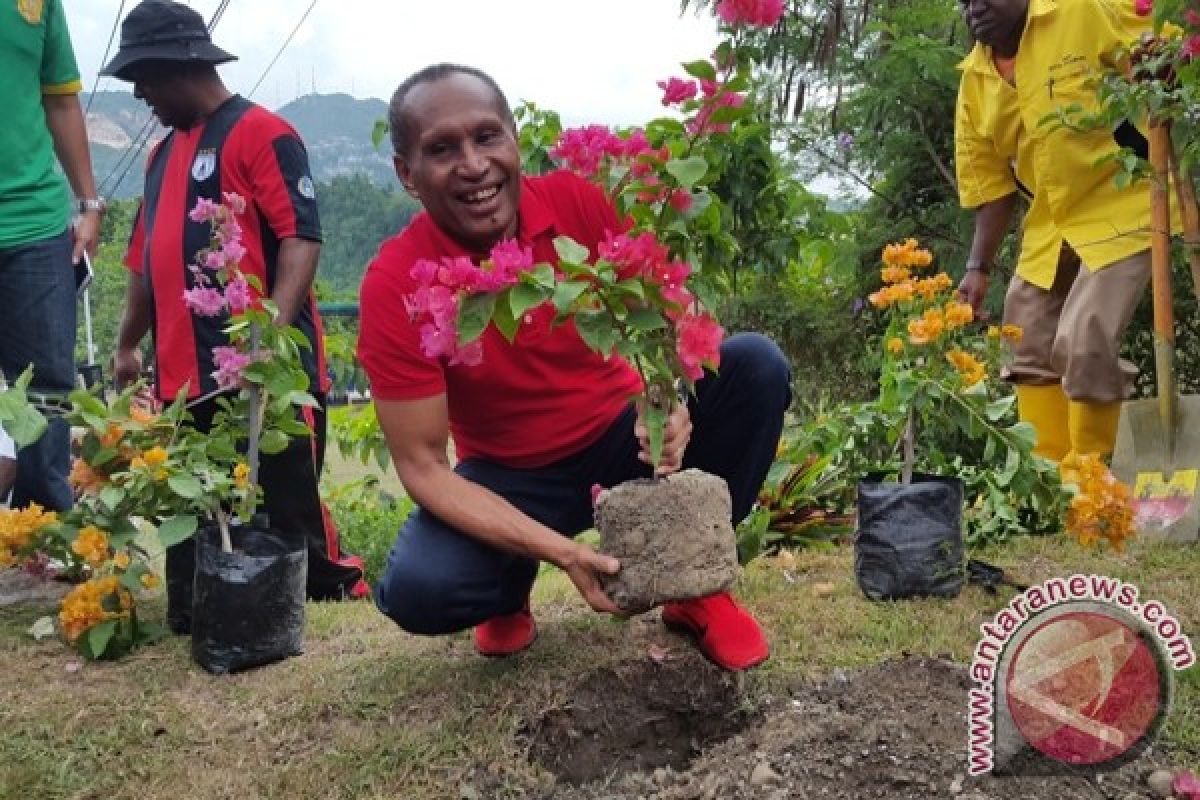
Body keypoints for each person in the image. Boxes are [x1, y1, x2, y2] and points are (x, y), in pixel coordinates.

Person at [357, 64, 791, 671]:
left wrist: (667, 404)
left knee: (756, 367)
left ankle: (693, 583)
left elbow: (679, 318)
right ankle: (508, 585)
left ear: (512, 140)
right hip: (509, 477)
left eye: (487, 137)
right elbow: (424, 467)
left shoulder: (577, 204)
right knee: (421, 588)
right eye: (441, 149)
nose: (474, 164)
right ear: (407, 174)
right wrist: (560, 552)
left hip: (620, 443)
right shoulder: (394, 283)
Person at [103, 0, 367, 628]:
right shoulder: (159, 156)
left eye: (143, 77)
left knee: (288, 500)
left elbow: (300, 236)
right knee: (196, 510)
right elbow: (145, 259)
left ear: (177, 65)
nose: (140, 94)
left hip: (266, 370)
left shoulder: (262, 133)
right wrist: (125, 344)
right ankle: (207, 612)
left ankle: (334, 597)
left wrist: (267, 341)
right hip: (180, 374)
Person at [954, 0, 1161, 469]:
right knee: (1023, 332)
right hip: (1052, 220)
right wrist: (977, 269)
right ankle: (1049, 481)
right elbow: (993, 186)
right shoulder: (975, 80)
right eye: (964, 2)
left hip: (1124, 201)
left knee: (1085, 337)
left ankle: (1090, 482)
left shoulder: (1080, 11)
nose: (976, 10)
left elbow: (1157, 58)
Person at [0, 0, 103, 511]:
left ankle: (38, 545)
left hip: (35, 224)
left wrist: (89, 202)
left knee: (47, 390)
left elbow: (60, 100)